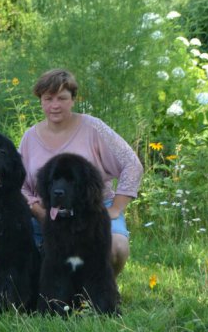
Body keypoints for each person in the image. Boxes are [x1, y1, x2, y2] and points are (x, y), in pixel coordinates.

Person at [19, 69, 143, 277]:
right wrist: (37, 209)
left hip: (93, 210)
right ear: (40, 100)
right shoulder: (30, 137)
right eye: (48, 98)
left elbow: (132, 164)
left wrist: (116, 207)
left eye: (62, 98)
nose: (55, 105)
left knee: (117, 249)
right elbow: (19, 184)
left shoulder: (94, 128)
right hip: (48, 213)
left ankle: (99, 292)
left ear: (73, 100)